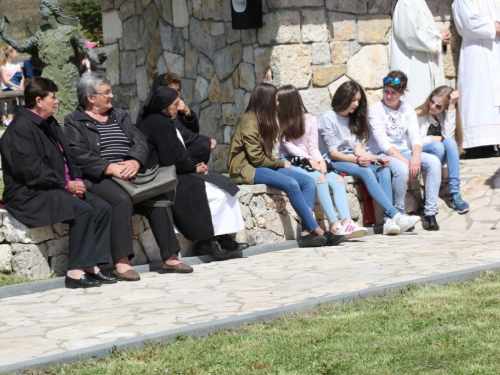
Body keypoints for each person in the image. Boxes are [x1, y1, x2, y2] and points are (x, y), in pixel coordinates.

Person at [64, 71, 192, 281]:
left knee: (158, 197)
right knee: (120, 200)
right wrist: (108, 167)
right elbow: (77, 153)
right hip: (99, 178)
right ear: (90, 97)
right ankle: (121, 263)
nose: (111, 96)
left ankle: (170, 257)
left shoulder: (119, 115)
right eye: (106, 92)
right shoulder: (74, 121)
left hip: (131, 172)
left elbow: (140, 140)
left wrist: (135, 160)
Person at [0, 77, 115, 289]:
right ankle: (74, 272)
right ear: (38, 100)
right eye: (53, 97)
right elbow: (31, 170)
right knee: (82, 210)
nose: (57, 101)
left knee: (102, 208)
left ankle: (92, 266)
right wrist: (65, 184)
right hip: (29, 193)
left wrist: (76, 180)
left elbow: (68, 157)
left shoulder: (50, 123)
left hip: (56, 186)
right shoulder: (20, 129)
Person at [228, 82, 345, 247]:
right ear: (266, 101)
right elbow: (255, 158)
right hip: (246, 169)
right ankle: (318, 230)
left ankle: (306, 233)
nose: (277, 103)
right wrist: (282, 164)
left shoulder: (264, 120)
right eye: (275, 100)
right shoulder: (249, 120)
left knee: (308, 181)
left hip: (262, 165)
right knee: (291, 183)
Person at [137, 86, 249, 258]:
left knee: (223, 187)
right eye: (175, 104)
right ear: (165, 105)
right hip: (163, 177)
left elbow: (180, 151)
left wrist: (194, 166)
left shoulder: (163, 121)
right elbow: (170, 157)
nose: (178, 106)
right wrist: (193, 167)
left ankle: (222, 237)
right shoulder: (157, 123)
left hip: (175, 171)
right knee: (209, 192)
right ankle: (205, 241)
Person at [319, 80, 420, 235]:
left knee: (383, 168)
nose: (356, 104)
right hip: (334, 161)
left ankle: (388, 221)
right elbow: (333, 153)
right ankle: (396, 215)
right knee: (366, 172)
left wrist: (374, 158)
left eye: (358, 100)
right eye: (353, 100)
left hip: (353, 158)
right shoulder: (328, 117)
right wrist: (358, 161)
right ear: (343, 97)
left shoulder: (354, 118)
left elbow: (358, 149)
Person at [277, 84, 367, 239]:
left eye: (278, 101)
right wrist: (310, 159)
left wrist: (320, 160)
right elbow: (288, 145)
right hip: (291, 160)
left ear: (288, 102)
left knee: (337, 179)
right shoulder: (278, 121)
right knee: (320, 178)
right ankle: (334, 225)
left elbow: (313, 146)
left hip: (310, 160)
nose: (276, 104)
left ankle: (347, 222)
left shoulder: (310, 119)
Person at [0, 0, 100, 124]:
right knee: (51, 106)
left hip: (68, 75)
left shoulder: (69, 30)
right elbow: (22, 47)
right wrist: (4, 35)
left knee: (71, 106)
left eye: (42, 8)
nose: (39, 11)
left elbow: (86, 49)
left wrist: (96, 58)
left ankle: (74, 133)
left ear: (51, 10)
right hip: (49, 74)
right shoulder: (41, 32)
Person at [368, 71, 442, 231]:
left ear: (402, 93)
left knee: (434, 162)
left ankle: (430, 213)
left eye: (393, 93)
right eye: (386, 91)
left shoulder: (407, 109)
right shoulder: (375, 110)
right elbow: (383, 143)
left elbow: (415, 137)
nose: (388, 96)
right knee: (401, 169)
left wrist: (415, 158)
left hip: (404, 151)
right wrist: (407, 162)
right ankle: (399, 214)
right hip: (382, 153)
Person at [452, 0, 500, 156]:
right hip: (476, 52)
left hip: (496, 49)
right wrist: (494, 27)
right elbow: (469, 23)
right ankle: (479, 146)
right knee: (479, 98)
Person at [136, 72, 216, 164]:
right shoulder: (155, 109)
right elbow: (180, 133)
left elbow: (192, 131)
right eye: (172, 90)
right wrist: (207, 140)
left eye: (178, 90)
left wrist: (188, 113)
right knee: (204, 147)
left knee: (202, 148)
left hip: (175, 150)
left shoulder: (175, 106)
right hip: (160, 157)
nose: (176, 94)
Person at [415, 86, 470, 214]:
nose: (433, 106)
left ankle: (454, 193)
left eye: (438, 106)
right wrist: (430, 139)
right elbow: (412, 142)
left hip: (437, 157)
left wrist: (451, 107)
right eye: (431, 101)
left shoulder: (444, 115)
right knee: (438, 146)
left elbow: (448, 137)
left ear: (444, 108)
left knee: (450, 142)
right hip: (420, 155)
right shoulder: (419, 114)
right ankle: (430, 194)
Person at [390, 0, 449, 108]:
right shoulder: (405, 3)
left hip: (425, 67)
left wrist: (438, 37)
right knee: (416, 107)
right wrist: (438, 38)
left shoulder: (419, 2)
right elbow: (411, 35)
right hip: (414, 68)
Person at [0, 46, 24, 126]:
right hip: (8, 88)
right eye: (15, 52)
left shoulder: (17, 65)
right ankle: (8, 119)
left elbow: (22, 77)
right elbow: (6, 81)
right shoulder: (3, 66)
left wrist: (21, 85)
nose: (17, 54)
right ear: (10, 54)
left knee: (20, 100)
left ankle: (19, 117)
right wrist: (17, 87)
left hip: (18, 87)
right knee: (9, 100)